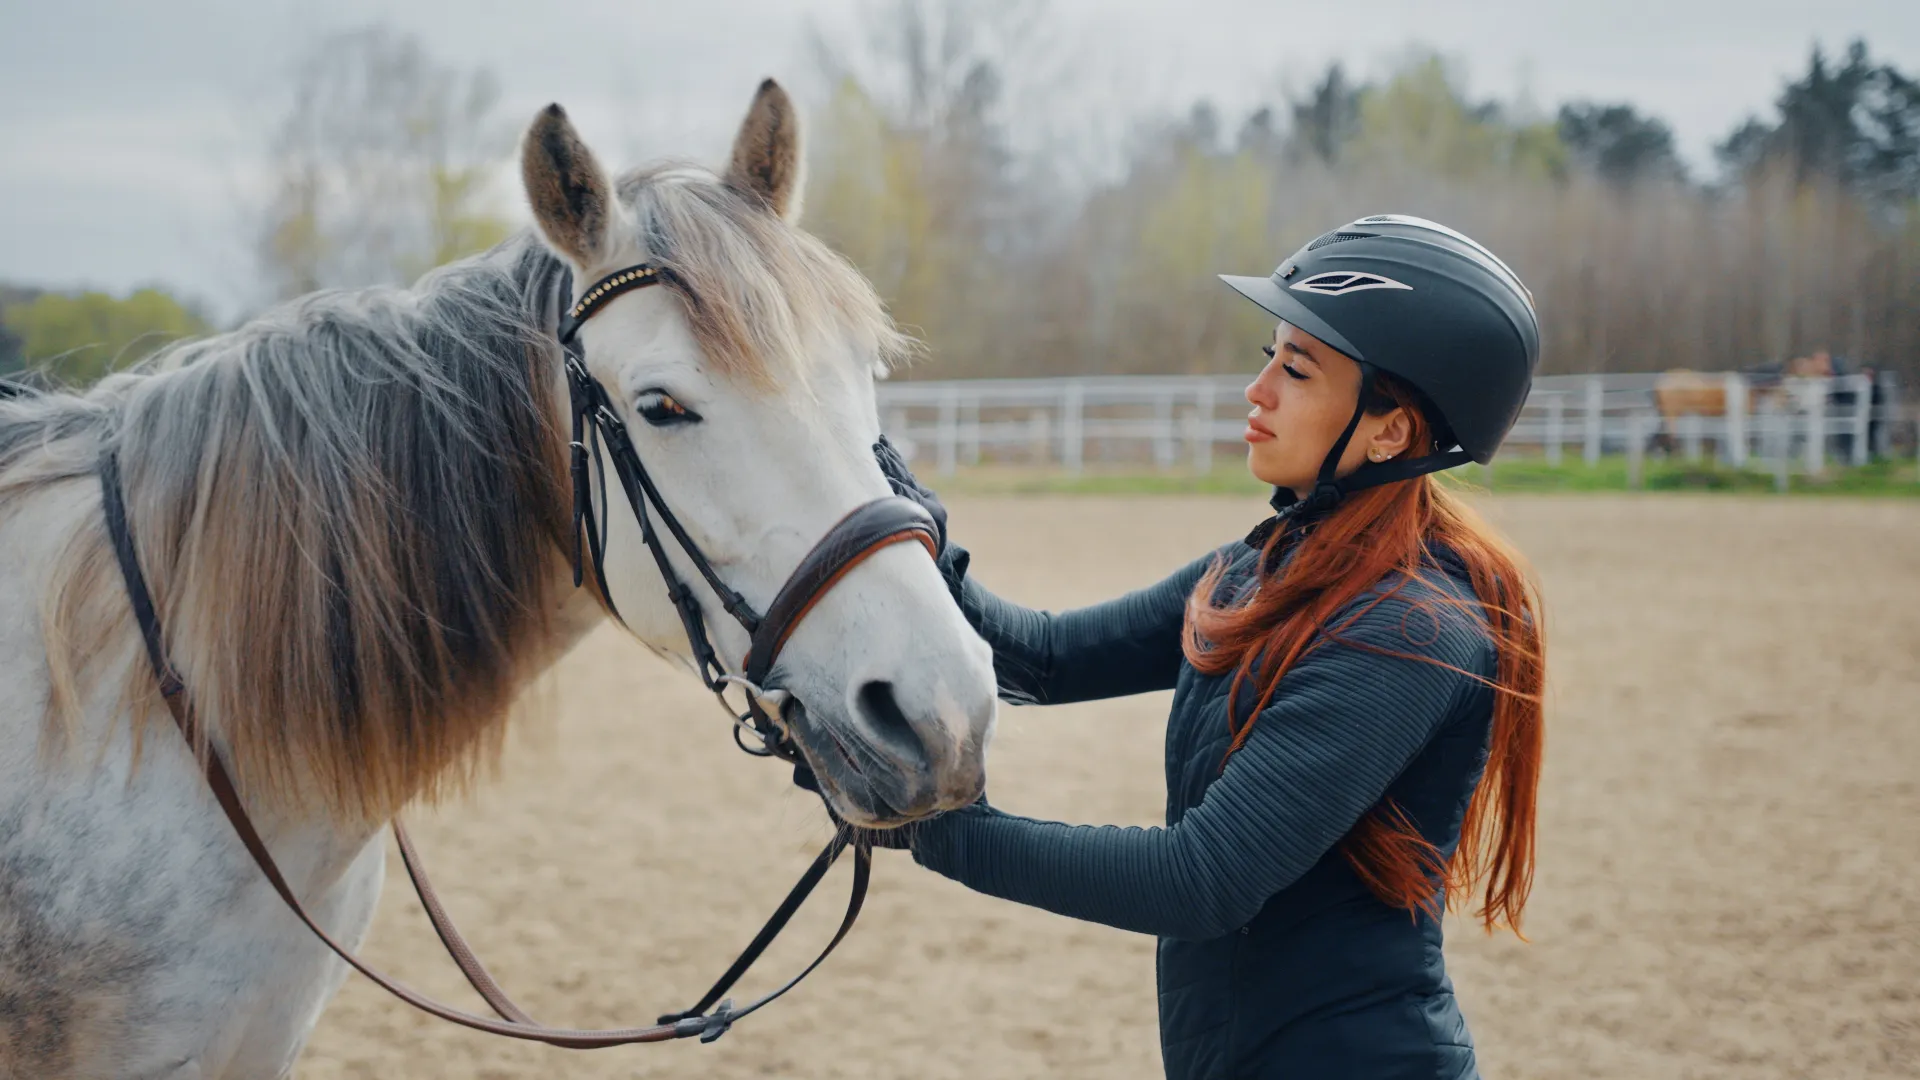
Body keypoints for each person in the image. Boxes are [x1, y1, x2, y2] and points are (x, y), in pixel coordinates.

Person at [840, 214, 1548, 1079]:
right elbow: (1047, 658)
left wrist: (936, 831)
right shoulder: (1262, 567)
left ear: (1390, 431)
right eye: (1269, 356)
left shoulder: (1410, 632)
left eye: (1297, 371)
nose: (1259, 392)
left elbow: (1202, 878)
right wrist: (913, 531)